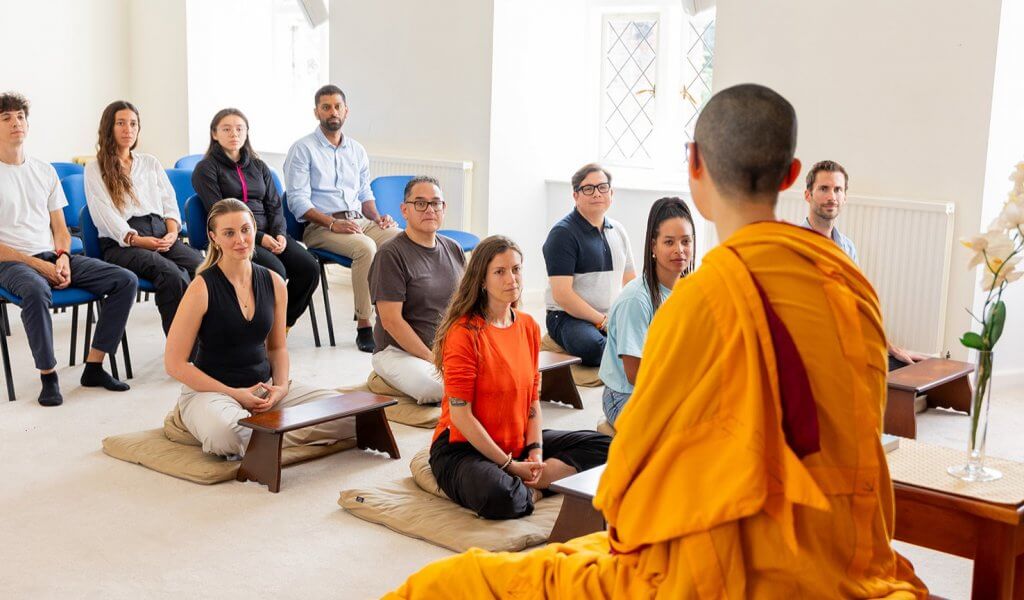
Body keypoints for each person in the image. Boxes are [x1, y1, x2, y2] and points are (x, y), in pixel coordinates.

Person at [385, 84, 927, 598]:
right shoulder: (850, 285)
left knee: (441, 587)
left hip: (729, 566)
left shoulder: (699, 303)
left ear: (695, 165)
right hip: (848, 552)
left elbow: (635, 489)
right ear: (791, 177)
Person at [428, 235, 610, 520]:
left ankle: (538, 479)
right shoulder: (463, 334)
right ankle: (535, 489)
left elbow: (532, 402)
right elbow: (461, 417)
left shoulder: (528, 326)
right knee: (499, 497)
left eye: (516, 269)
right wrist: (510, 465)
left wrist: (535, 454)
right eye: (499, 272)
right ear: (482, 281)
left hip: (516, 440)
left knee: (608, 447)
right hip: (463, 448)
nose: (511, 278)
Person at [165, 199, 353, 457]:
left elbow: (277, 348)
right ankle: (266, 431)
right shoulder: (201, 288)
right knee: (227, 434)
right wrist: (236, 395)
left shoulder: (275, 282)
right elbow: (175, 364)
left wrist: (281, 388)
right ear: (214, 237)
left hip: (265, 390)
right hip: (213, 392)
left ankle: (265, 434)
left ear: (255, 228)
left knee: (349, 414)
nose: (240, 239)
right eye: (229, 233)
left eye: (245, 229)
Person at [0, 92, 137, 407]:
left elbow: (60, 230)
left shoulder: (43, 170)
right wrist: (39, 266)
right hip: (11, 263)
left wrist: (61, 257)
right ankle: (49, 376)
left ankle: (95, 365)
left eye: (20, 116)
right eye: (6, 118)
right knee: (35, 291)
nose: (15, 123)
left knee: (124, 280)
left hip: (51, 256)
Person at [284, 84, 400, 352]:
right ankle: (364, 324)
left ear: (346, 111)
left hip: (359, 220)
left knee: (400, 239)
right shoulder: (302, 149)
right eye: (326, 107)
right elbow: (297, 201)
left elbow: (363, 192)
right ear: (316, 112)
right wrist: (332, 223)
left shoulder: (356, 150)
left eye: (337, 106)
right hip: (321, 226)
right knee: (365, 248)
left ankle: (397, 317)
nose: (332, 112)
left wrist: (378, 216)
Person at [192, 108, 320, 330]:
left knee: (309, 267)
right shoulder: (205, 169)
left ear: (247, 133)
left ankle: (282, 326)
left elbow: (274, 205)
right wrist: (259, 238)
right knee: (276, 273)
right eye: (227, 129)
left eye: (240, 129)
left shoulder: (259, 166)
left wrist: (279, 233)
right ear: (214, 134)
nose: (234, 134)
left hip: (270, 234)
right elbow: (219, 212)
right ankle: (262, 329)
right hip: (236, 237)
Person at [85, 100, 202, 335]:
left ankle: (211, 341)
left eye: (133, 124)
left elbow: (169, 202)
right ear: (109, 127)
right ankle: (183, 351)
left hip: (161, 232)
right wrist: (137, 240)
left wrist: (172, 232)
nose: (128, 129)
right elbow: (103, 214)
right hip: (123, 243)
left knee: (204, 268)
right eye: (121, 123)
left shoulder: (149, 162)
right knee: (171, 275)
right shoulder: (95, 167)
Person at [802, 159, 929, 370]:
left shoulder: (847, 247)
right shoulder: (795, 247)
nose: (831, 197)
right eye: (824, 189)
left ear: (845, 197)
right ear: (808, 195)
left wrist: (889, 346)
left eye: (838, 189)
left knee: (913, 367)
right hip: (817, 349)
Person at [598, 197, 695, 426]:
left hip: (669, 390)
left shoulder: (690, 290)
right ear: (653, 246)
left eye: (686, 241)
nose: (679, 250)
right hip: (626, 396)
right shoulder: (636, 300)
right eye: (669, 242)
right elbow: (635, 375)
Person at [368, 176, 465, 404]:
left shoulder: (454, 248)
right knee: (436, 388)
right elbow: (391, 321)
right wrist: (432, 358)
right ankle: (382, 380)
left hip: (445, 349)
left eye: (435, 203)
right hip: (398, 352)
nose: (429, 209)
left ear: (444, 208)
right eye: (420, 203)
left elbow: (466, 303)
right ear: (404, 210)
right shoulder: (390, 254)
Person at [542, 163, 635, 367]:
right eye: (588, 188)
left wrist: (634, 314)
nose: (596, 194)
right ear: (576, 195)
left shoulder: (618, 230)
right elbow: (562, 295)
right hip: (567, 316)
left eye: (602, 187)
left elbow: (630, 282)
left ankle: (627, 355)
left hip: (608, 314)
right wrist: (603, 322)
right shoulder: (562, 234)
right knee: (592, 347)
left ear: (611, 193)